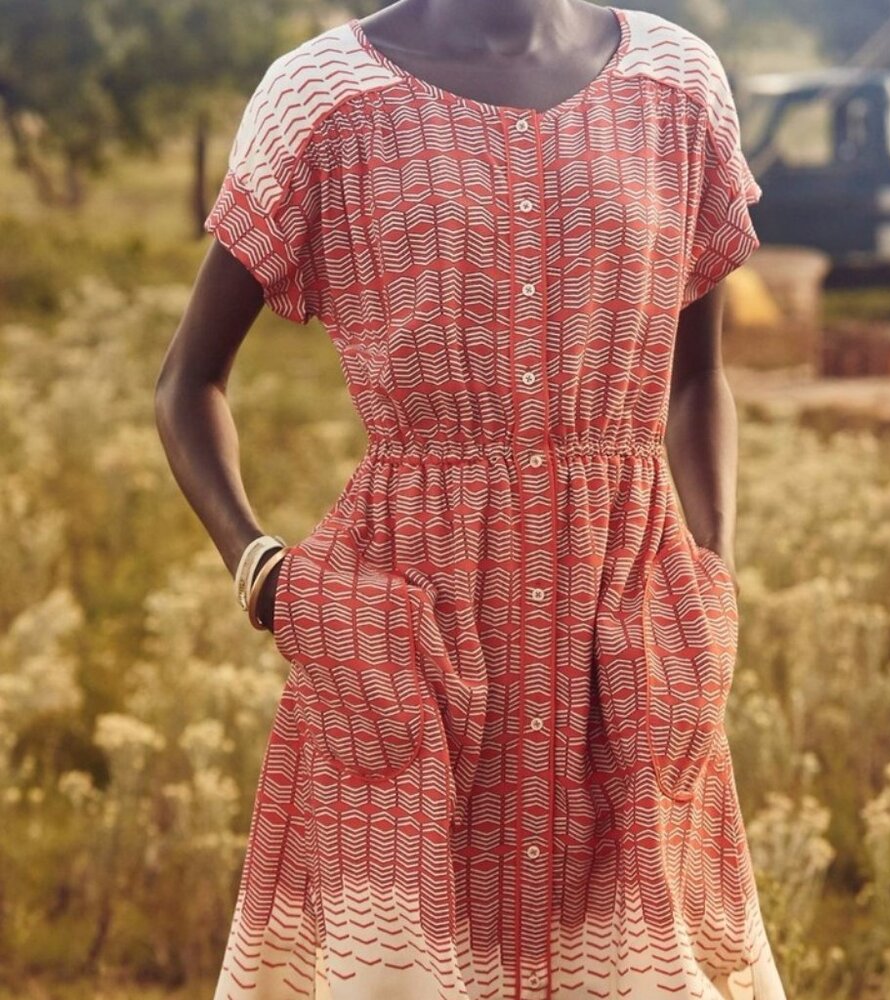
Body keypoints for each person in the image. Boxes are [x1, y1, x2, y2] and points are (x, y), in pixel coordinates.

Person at [154, 2, 787, 997]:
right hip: (401, 644)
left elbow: (698, 379)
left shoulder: (679, 82)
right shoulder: (322, 97)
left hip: (623, 646)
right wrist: (265, 577)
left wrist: (706, 576)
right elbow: (187, 382)